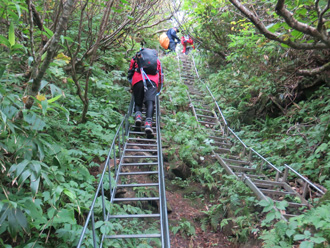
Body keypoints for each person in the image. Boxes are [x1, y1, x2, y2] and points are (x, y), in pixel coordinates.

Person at [127, 48, 163, 138]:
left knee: (138, 100)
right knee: (150, 102)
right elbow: (160, 76)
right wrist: (158, 89)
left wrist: (132, 85)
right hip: (152, 82)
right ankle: (148, 123)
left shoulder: (136, 58)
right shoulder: (157, 61)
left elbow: (130, 72)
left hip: (138, 80)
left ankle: (138, 116)